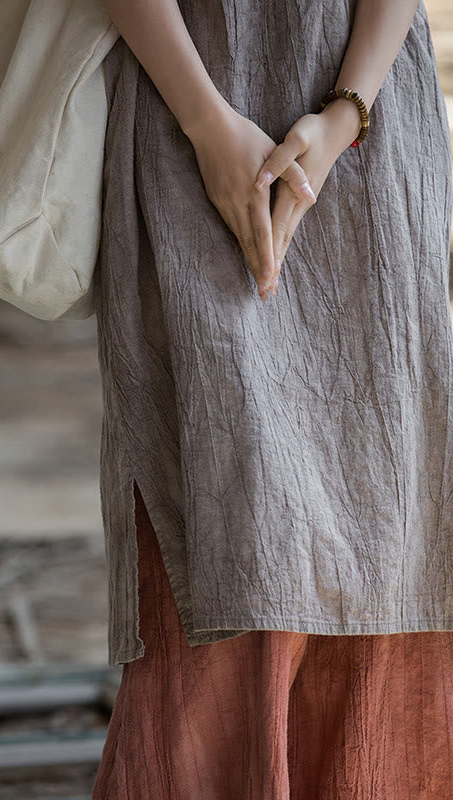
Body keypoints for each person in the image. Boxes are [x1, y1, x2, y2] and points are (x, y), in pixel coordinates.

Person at [90, 0, 453, 796]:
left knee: (387, 537)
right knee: (223, 530)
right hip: (187, 98)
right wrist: (205, 123)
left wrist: (345, 116)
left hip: (372, 123)